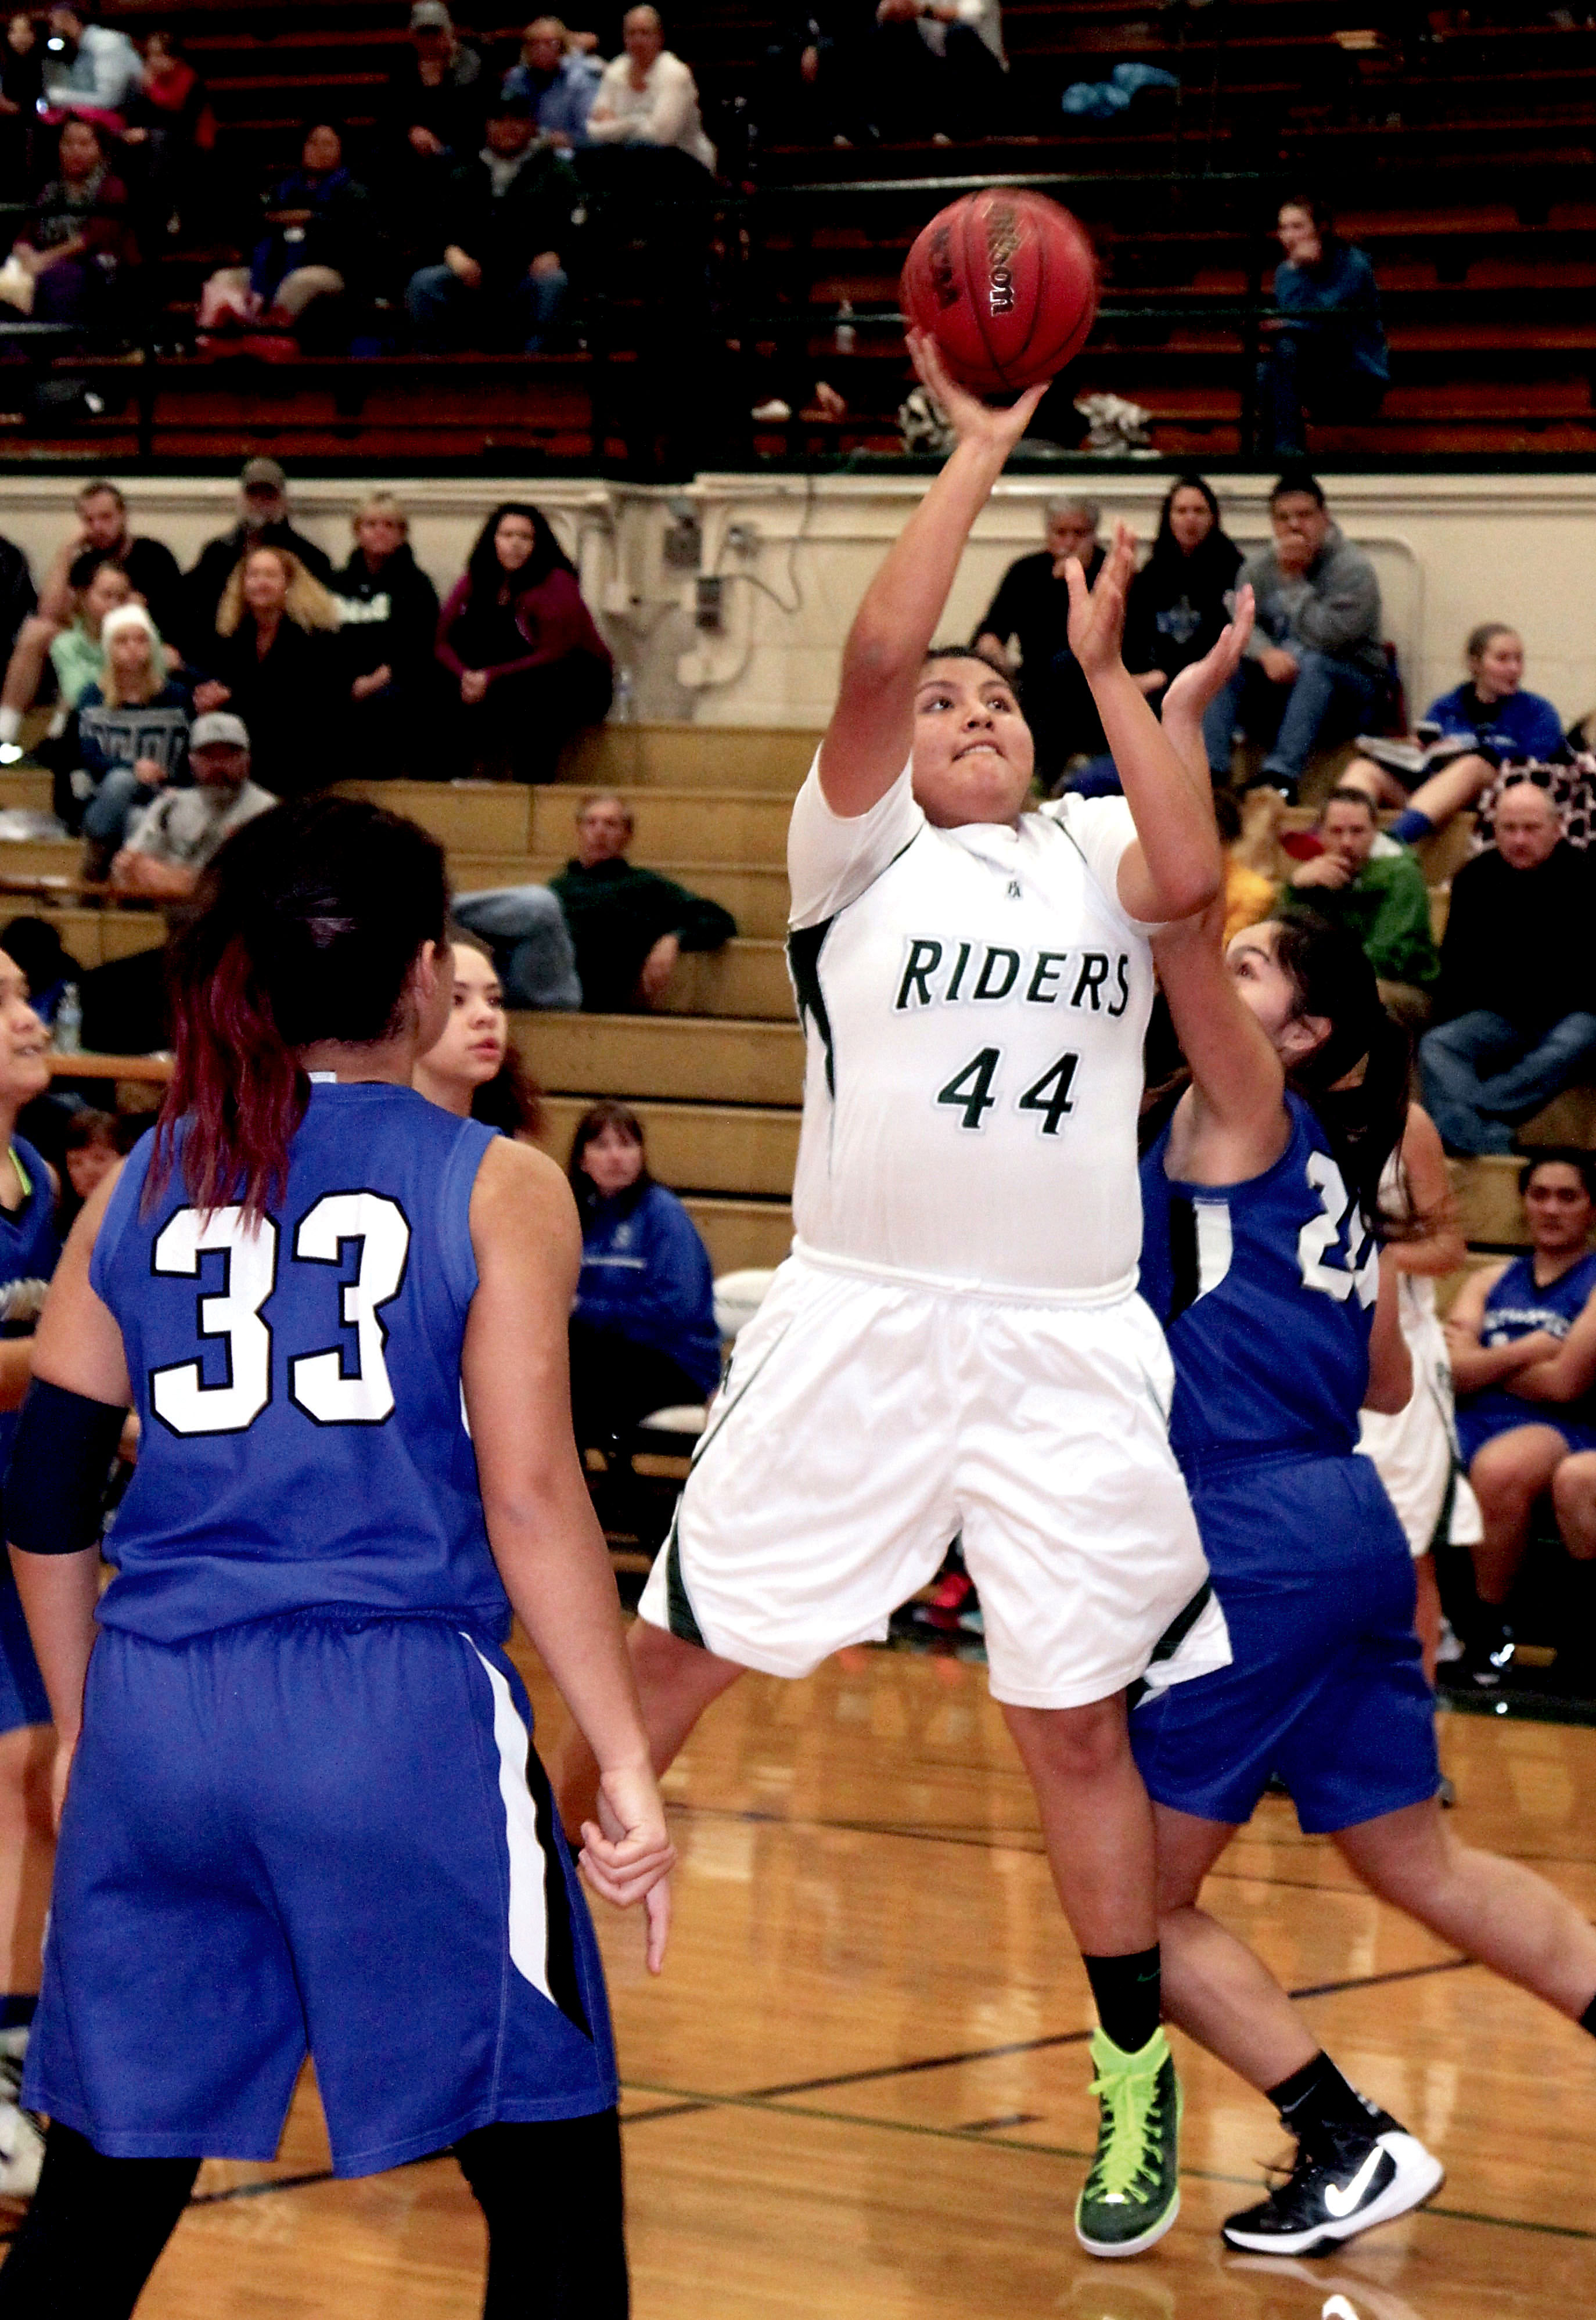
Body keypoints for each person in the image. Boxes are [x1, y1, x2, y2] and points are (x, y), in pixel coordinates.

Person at [557, 329, 1236, 2263]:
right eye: (941, 695)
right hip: (859, 1321)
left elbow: (1190, 881)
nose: (961, 708)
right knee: (666, 1658)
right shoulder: (848, 856)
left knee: (1071, 1727)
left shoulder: (1101, 846)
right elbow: (870, 660)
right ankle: (500, 1938)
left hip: (1062, 1346)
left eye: (994, 699)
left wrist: (1109, 678)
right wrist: (983, 447)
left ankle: (1127, 2077)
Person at [0, 793, 673, 2313]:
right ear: (427, 974)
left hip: (162, 1712)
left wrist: (80, 1711)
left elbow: (46, 1489)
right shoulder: (497, 1182)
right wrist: (620, 1755)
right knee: (551, 2179)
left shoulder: (137, 1181)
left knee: (102, 2202)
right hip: (393, 1718)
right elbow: (531, 1497)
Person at [1133, 783, 1596, 2258]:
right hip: (1339, 1509)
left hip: (1248, 1524)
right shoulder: (1327, 1168)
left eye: (1266, 968)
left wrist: (1141, 704)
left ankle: (1342, 2135)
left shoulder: (1240, 1110)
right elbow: (1389, 1366)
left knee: (1126, 1904)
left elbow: (1173, 923)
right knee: (1416, 1861)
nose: (1236, 966)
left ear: (1304, 1031)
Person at [1445, 1150, 1596, 1695]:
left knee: (1500, 1469)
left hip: (1561, 1426)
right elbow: (1450, 1372)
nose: (1551, 1209)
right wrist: (1529, 1350)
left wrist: (1485, 1359)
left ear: (1591, 1208)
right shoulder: (1489, 1279)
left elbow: (1564, 1385)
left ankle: (1491, 1637)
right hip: (1472, 1412)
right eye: (1539, 1194)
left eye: (1567, 1196)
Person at [0, 943, 61, 2201]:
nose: (28, 1010)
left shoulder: (41, 1173)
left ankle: (18, 2037)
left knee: (46, 1763)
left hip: (23, 1523)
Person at [1357, 1100, 1481, 1686]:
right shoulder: (1271, 1106)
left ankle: (1410, 1750)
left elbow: (1448, 1247)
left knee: (1407, 1556)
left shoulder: (1407, 1123)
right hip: (1306, 1352)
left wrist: (1378, 1259)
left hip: (1398, 1354)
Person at [1418, 778, 1596, 1155]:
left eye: (1531, 828)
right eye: (1508, 828)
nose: (1519, 839)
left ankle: (1463, 1117)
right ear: (1494, 829)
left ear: (1557, 828)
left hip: (1571, 1014)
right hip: (1500, 1015)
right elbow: (1459, 969)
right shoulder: (1475, 878)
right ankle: (1488, 1138)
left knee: (1577, 1038)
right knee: (1438, 1044)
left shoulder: (1587, 877)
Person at [1207, 470, 1384, 803]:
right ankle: (1213, 775)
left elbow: (1331, 637)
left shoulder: (1352, 568)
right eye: (1283, 518)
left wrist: (1292, 583)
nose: (1294, 526)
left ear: (1325, 517)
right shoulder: (1257, 568)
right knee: (1223, 664)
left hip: (1350, 688)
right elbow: (1240, 620)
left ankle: (1281, 777)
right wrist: (1265, 654)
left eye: (1304, 516)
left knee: (1315, 663)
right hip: (1284, 684)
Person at [565, 1099, 720, 1452]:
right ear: (582, 1161)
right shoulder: (578, 1217)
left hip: (674, 1362)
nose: (616, 1157)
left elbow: (675, 1309)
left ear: (641, 1154)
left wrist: (586, 1309)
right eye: (602, 1146)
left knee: (576, 1381)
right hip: (609, 1356)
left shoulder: (662, 1212)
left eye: (626, 1144)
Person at [0, 479, 182, 764]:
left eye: (106, 517)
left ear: (123, 516)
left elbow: (171, 622)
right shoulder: (86, 562)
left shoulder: (153, 555)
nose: (98, 527)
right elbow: (49, 612)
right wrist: (67, 550)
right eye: (89, 520)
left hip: (139, 648)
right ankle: (4, 734)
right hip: (85, 645)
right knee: (37, 631)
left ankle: (59, 735)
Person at [435, 504, 612, 783]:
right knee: (437, 690)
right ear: (492, 539)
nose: (515, 544)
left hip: (572, 676)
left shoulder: (557, 582)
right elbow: (442, 642)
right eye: (507, 535)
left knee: (538, 698)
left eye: (525, 537)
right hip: (496, 677)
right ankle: (448, 786)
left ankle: (531, 789)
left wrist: (489, 677)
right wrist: (465, 675)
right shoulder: (474, 581)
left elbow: (556, 652)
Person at [1340, 621, 1568, 828]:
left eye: (1519, 659)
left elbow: (1535, 770)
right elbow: (1425, 757)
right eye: (1503, 659)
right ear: (1474, 664)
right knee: (1363, 769)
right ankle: (1330, 839)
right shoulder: (1445, 707)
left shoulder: (1538, 711)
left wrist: (1485, 754)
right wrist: (1415, 749)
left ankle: (1394, 841)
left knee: (1473, 765)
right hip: (1435, 795)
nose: (1514, 669)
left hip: (1500, 801)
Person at [404, 92, 578, 354]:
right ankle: (433, 372)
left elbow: (577, 225)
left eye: (517, 120)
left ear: (532, 126)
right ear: (487, 126)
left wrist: (557, 253)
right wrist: (452, 252)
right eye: (500, 120)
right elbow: (437, 225)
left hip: (528, 276)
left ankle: (534, 373)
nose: (509, 127)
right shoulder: (463, 171)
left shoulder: (555, 171)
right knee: (424, 283)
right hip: (473, 277)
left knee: (554, 282)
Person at [545, 790, 734, 1010]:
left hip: (603, 989)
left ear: (627, 835)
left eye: (610, 824)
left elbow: (719, 919)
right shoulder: (556, 889)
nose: (599, 832)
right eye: (591, 823)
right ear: (579, 830)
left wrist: (674, 940)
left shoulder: (645, 886)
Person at [199, 122, 374, 353]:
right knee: (224, 278)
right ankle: (210, 344)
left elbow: (355, 241)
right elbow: (255, 225)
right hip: (273, 267)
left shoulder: (353, 193)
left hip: (328, 269)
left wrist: (313, 221)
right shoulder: (282, 191)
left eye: (327, 144)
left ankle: (270, 342)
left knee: (299, 282)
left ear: (341, 151)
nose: (318, 149)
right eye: (312, 142)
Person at [974, 496, 1108, 790]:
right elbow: (993, 626)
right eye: (1061, 533)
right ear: (1048, 535)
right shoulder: (1026, 571)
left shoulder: (1109, 572)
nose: (1070, 542)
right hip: (1034, 676)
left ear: (1094, 536)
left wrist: (1073, 584)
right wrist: (990, 643)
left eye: (1079, 534)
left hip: (1092, 678)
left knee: (1061, 670)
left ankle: (1041, 776)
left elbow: (1107, 638)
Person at [191, 544, 344, 801]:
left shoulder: (317, 638)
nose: (260, 583)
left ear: (288, 584)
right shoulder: (233, 637)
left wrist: (231, 700)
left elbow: (307, 705)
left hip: (302, 752)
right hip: (251, 753)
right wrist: (210, 706)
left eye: (270, 575)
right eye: (253, 575)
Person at [1280, 786, 1439, 1021]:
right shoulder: (1317, 874)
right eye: (1336, 831)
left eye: (1357, 831)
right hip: (1335, 980)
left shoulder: (1402, 874)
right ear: (1320, 834)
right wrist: (1296, 889)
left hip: (1402, 987)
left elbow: (1386, 956)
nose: (1346, 842)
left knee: (1342, 1001)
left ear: (1375, 832)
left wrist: (1319, 979)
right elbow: (1284, 941)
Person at [63, 599, 190, 869]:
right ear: (109, 649)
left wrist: (176, 786)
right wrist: (134, 768)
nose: (133, 649)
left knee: (138, 818)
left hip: (161, 796)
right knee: (122, 781)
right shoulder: (93, 695)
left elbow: (188, 756)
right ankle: (96, 865)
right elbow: (89, 758)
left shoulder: (176, 695)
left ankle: (127, 890)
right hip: (103, 797)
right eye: (123, 641)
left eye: (141, 641)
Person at [1260, 196, 1389, 457]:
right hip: (1311, 368)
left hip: (1356, 373)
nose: (1289, 236)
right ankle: (1270, 452)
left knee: (1285, 349)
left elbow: (1329, 325)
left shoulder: (1354, 265)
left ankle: (1286, 452)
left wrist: (1288, 323)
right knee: (1263, 371)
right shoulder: (1287, 272)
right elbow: (1295, 323)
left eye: (1298, 227)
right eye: (1283, 228)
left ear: (1321, 228)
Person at [1123, 477, 1243, 752]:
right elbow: (1137, 634)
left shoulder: (1232, 568)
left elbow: (1218, 639)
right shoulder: (1152, 572)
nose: (1190, 519)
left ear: (1213, 518)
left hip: (1205, 677)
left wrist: (1163, 676)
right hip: (1156, 678)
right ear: (1168, 518)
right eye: (1181, 511)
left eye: (1199, 511)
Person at [329, 492, 443, 775]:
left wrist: (373, 681)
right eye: (371, 524)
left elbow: (417, 647)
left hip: (395, 682)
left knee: (384, 708)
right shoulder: (336, 583)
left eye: (389, 525)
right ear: (357, 531)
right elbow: (325, 641)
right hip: (343, 681)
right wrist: (346, 683)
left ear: (402, 534)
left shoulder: (417, 585)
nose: (379, 532)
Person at [182, 459, 332, 657]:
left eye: (269, 495)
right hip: (218, 656)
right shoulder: (216, 553)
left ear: (283, 501)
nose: (261, 501)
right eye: (253, 494)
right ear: (242, 499)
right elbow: (189, 607)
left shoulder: (311, 558)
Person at [413, 928, 545, 1140]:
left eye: (494, 1001)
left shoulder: (512, 1151)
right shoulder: (365, 1143)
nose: (487, 1015)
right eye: (457, 1000)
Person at [4, 114, 134, 328]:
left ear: (100, 150)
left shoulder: (112, 187)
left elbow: (91, 239)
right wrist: (25, 253)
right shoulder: (50, 190)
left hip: (96, 268)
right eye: (68, 143)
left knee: (58, 279)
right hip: (44, 262)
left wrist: (43, 260)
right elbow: (26, 235)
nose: (75, 151)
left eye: (84, 144)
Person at [585, 7, 716, 175]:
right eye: (631, 34)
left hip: (687, 161)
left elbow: (660, 138)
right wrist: (637, 123)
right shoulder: (616, 69)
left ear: (660, 37)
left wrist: (617, 125)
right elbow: (592, 131)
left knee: (640, 152)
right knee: (589, 152)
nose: (638, 40)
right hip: (631, 155)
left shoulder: (675, 73)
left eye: (645, 33)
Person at [119, 28, 217, 249]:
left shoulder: (191, 83)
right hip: (155, 144)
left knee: (159, 143)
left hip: (191, 145)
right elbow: (138, 118)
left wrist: (149, 132)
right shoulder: (147, 83)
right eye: (150, 55)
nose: (152, 61)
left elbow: (184, 126)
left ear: (175, 58)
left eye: (159, 55)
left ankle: (166, 213)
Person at [869, 0, 1007, 142]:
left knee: (959, 34)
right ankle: (884, 128)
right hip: (936, 73)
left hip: (982, 72)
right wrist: (889, 11)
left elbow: (973, 14)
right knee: (887, 31)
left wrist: (922, 10)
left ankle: (964, 127)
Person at [502, 16, 599, 146]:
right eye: (534, 43)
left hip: (571, 153)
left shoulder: (581, 79)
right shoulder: (516, 78)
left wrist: (565, 140)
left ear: (562, 47)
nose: (541, 49)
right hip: (524, 150)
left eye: (549, 43)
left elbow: (589, 133)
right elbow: (507, 123)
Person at [39, 0, 141, 122]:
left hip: (128, 117)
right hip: (97, 116)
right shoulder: (75, 48)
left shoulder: (106, 43)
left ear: (68, 19)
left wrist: (60, 96)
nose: (52, 32)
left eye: (54, 24)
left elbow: (110, 99)